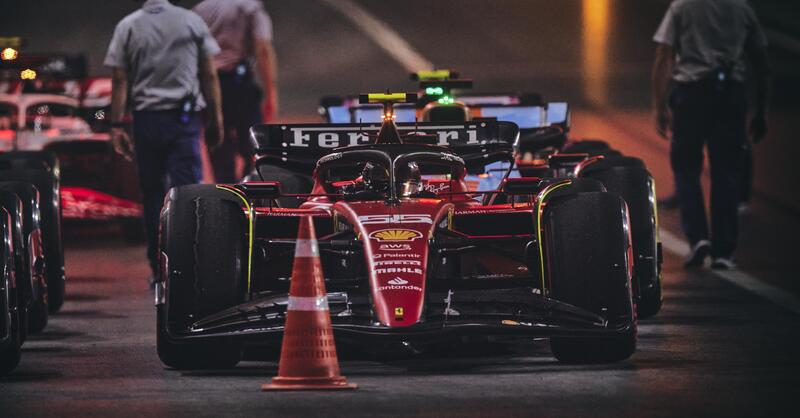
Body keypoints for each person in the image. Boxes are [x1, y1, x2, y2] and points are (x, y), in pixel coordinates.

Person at [105, 0, 224, 282]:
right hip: (183, 120)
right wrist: (216, 118)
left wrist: (117, 125)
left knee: (152, 194)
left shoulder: (128, 25)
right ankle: (189, 264)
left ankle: (158, 267)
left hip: (146, 121)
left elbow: (120, 80)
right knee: (188, 193)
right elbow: (208, 73)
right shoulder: (191, 21)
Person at [651, 0, 769, 269]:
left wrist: (659, 105)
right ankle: (725, 250)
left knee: (685, 168)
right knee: (726, 171)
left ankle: (698, 239)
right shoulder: (742, 8)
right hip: (731, 96)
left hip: (691, 95)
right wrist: (761, 110)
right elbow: (761, 63)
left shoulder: (682, 7)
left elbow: (663, 55)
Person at [193, 0, 279, 183]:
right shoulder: (250, 7)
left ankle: (226, 200)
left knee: (219, 149)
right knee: (255, 147)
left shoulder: (200, 9)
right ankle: (251, 192)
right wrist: (271, 91)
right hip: (239, 86)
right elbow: (262, 47)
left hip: (207, 85)